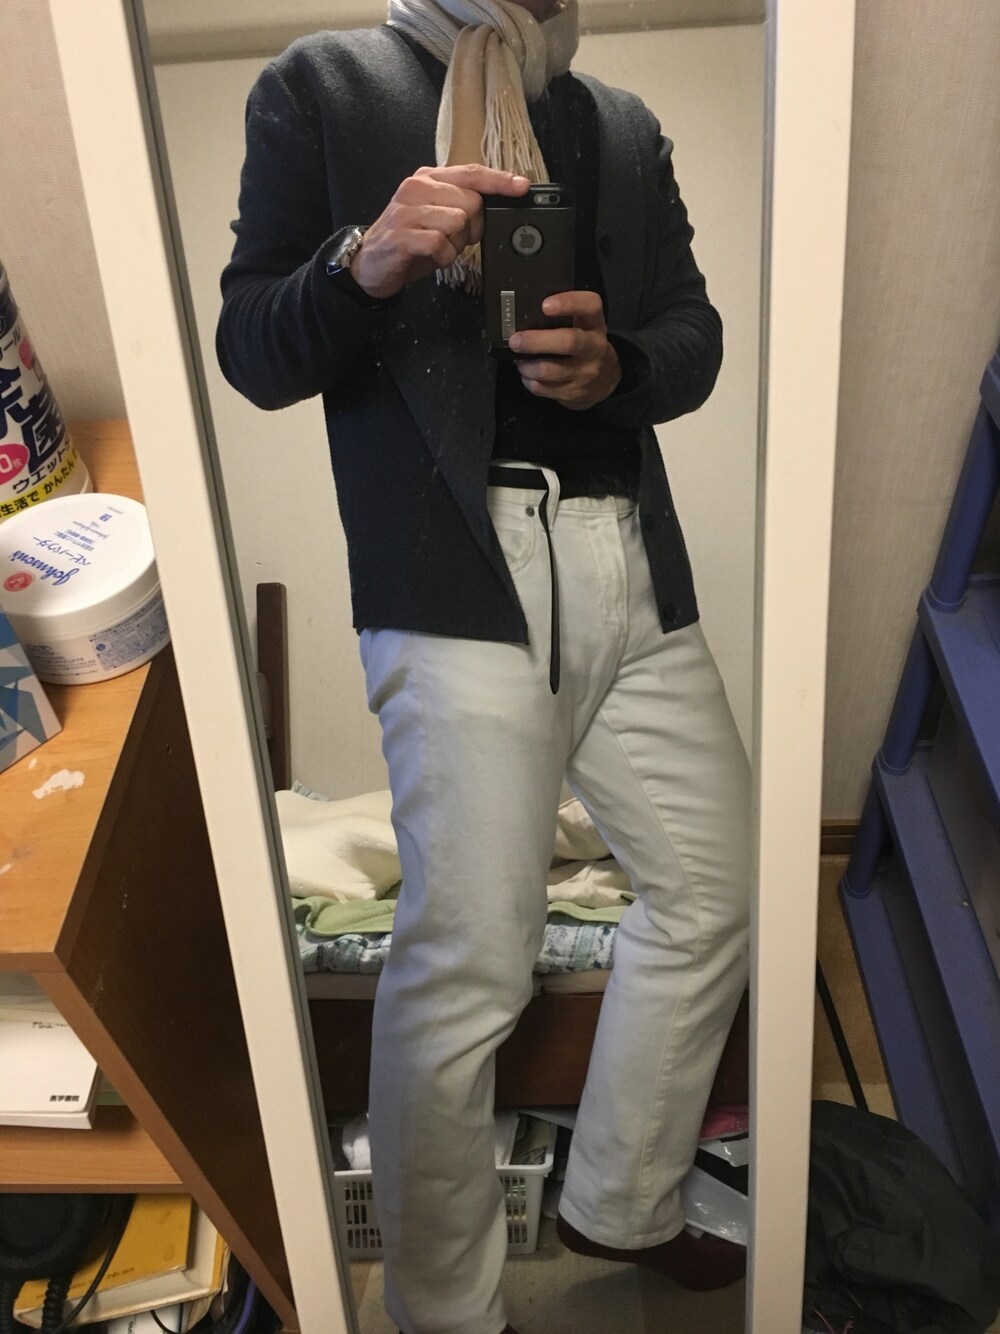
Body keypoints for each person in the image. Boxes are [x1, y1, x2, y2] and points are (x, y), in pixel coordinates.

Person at [217, 2, 751, 1331]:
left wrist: (617, 366)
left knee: (715, 888)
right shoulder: (326, 84)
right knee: (470, 965)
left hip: (631, 554)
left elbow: (693, 333)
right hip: (456, 567)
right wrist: (365, 261)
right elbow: (251, 349)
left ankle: (621, 1201)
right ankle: (445, 1309)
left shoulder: (615, 123)